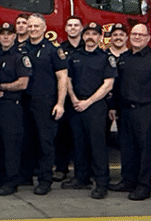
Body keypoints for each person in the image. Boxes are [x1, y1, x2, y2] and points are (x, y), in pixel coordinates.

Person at [109, 23, 151, 201]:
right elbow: (118, 86)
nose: (136, 37)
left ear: (148, 38)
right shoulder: (124, 58)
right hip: (125, 111)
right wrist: (113, 106)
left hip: (147, 111)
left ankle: (144, 186)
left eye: (141, 35)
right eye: (134, 34)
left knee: (146, 151)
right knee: (127, 149)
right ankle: (128, 180)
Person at [62, 22, 116, 199]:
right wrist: (75, 99)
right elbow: (67, 79)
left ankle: (102, 183)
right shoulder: (74, 56)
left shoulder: (105, 57)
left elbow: (108, 84)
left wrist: (89, 102)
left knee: (97, 145)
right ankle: (81, 177)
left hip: (95, 106)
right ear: (83, 36)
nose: (90, 37)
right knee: (78, 144)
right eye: (88, 34)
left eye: (94, 34)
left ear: (100, 37)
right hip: (76, 105)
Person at [20, 13, 67, 195]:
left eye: (36, 26)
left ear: (44, 28)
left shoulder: (53, 49)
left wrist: (60, 103)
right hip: (25, 100)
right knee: (27, 140)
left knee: (45, 142)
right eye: (30, 26)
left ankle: (45, 180)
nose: (32, 29)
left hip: (45, 101)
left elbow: (62, 77)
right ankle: (25, 176)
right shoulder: (22, 48)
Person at [0, 22, 31, 196]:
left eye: (9, 34)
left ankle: (12, 180)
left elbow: (23, 83)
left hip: (11, 106)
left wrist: (2, 87)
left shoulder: (20, 56)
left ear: (14, 36)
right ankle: (0, 177)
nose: (5, 37)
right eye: (2, 34)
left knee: (11, 145)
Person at [55, 16, 84, 183]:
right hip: (66, 99)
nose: (73, 28)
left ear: (81, 28)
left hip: (83, 100)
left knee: (81, 137)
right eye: (70, 25)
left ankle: (83, 172)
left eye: (76, 25)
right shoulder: (60, 49)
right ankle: (61, 168)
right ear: (65, 29)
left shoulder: (86, 47)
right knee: (62, 136)